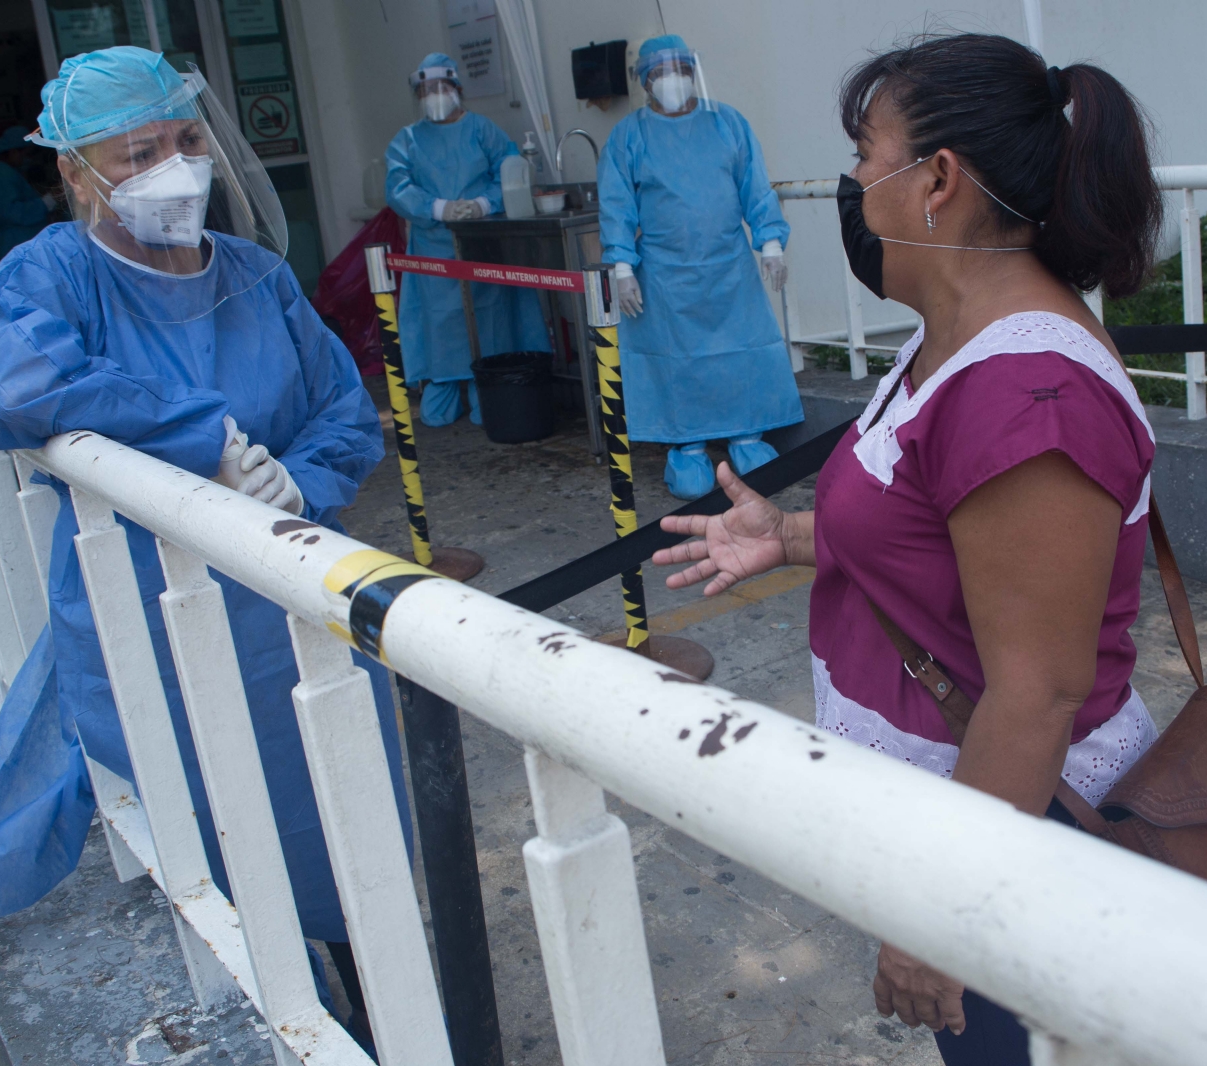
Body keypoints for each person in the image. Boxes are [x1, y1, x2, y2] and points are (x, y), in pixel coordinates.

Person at [651, 34, 1164, 1066]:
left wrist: (938, 924)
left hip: (1021, 839)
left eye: (862, 150)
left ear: (937, 181)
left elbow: (1035, 694)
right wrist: (793, 537)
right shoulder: (949, 336)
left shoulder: (1028, 398)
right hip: (950, 811)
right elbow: (935, 532)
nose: (848, 180)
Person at [0, 47, 407, 1051]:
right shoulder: (54, 273)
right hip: (157, 625)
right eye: (138, 150)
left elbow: (342, 413)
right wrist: (205, 439)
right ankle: (298, 1018)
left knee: (355, 832)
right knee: (231, 851)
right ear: (77, 174)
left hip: (292, 607)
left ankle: (394, 1011)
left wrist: (303, 482)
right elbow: (26, 385)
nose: (174, 166)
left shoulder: (254, 276)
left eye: (186, 139)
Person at [597, 35, 802, 500]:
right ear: (647, 82)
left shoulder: (727, 123)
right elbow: (616, 205)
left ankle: (747, 435)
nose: (674, 80)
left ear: (694, 71)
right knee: (678, 363)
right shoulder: (629, 136)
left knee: (741, 352)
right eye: (662, 73)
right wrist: (622, 266)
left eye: (681, 69)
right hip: (665, 277)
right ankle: (685, 446)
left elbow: (754, 184)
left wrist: (769, 241)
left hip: (729, 268)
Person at [385, 52, 550, 426]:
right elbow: (396, 187)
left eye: (441, 87)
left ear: (457, 89)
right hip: (432, 248)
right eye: (426, 90)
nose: (435, 95)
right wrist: (439, 208)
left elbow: (510, 169)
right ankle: (443, 381)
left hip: (481, 244)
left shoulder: (482, 130)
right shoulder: (408, 140)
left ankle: (487, 380)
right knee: (441, 325)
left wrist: (481, 204)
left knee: (488, 318)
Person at [0, 125, 53, 267]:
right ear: (13, 152)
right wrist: (46, 203)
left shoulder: (8, 172)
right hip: (15, 244)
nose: (27, 159)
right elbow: (11, 212)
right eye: (26, 154)